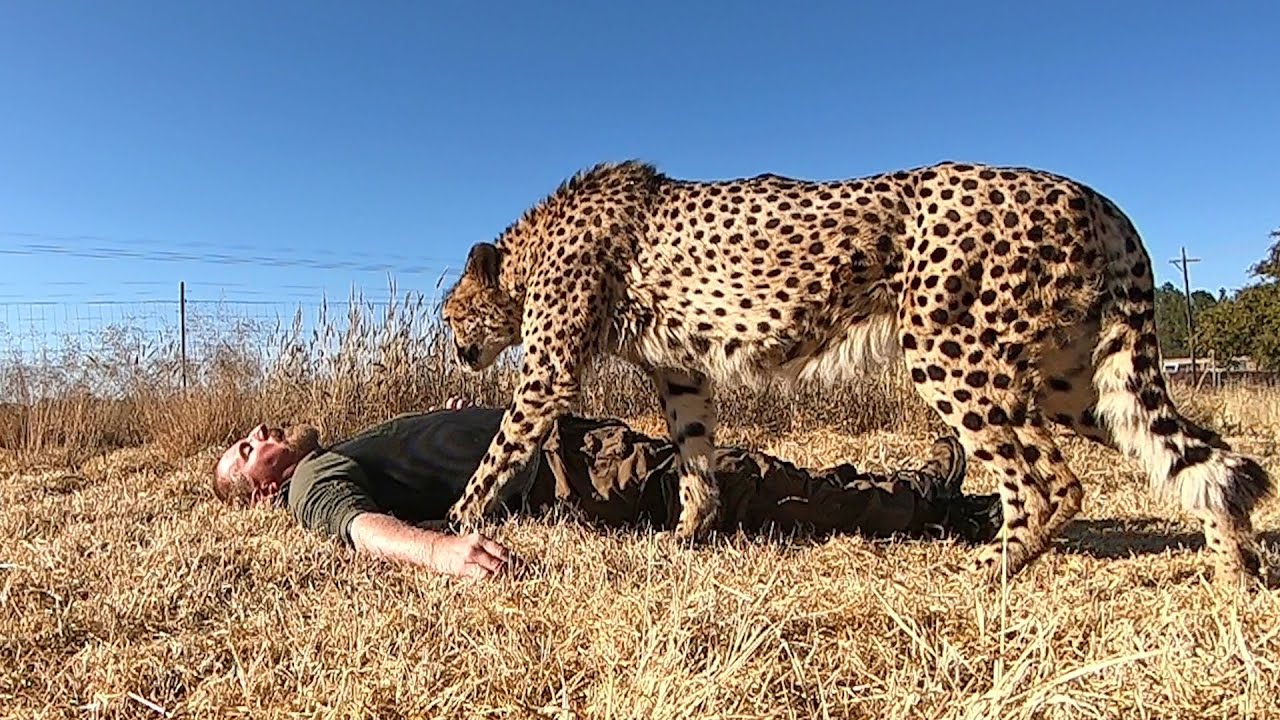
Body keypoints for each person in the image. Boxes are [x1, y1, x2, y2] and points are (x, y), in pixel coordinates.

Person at [213, 398, 1002, 579]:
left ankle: (914, 497)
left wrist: (458, 423)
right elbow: (357, 525)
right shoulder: (311, 482)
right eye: (245, 453)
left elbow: (414, 468)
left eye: (250, 434)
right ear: (259, 493)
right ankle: (933, 507)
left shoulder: (336, 449)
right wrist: (445, 552)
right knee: (751, 486)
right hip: (570, 468)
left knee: (751, 479)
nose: (258, 437)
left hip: (567, 444)